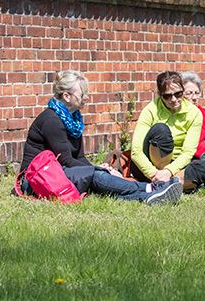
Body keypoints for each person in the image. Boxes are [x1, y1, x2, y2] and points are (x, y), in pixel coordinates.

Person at [19, 70, 182, 205]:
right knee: (95, 176)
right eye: (82, 94)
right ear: (67, 96)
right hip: (35, 179)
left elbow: (79, 158)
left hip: (55, 173)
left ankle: (148, 198)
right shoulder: (52, 120)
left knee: (99, 183)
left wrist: (102, 168)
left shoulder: (72, 120)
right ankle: (150, 188)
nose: (86, 97)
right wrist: (99, 170)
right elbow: (67, 161)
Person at [130, 71, 203, 184]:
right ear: (160, 94)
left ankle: (167, 182)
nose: (173, 99)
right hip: (150, 164)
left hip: (175, 165)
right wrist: (153, 174)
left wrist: (169, 171)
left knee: (204, 168)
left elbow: (188, 152)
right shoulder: (150, 110)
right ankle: (167, 183)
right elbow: (136, 151)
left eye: (178, 94)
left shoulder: (194, 113)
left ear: (183, 90)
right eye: (167, 96)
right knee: (161, 130)